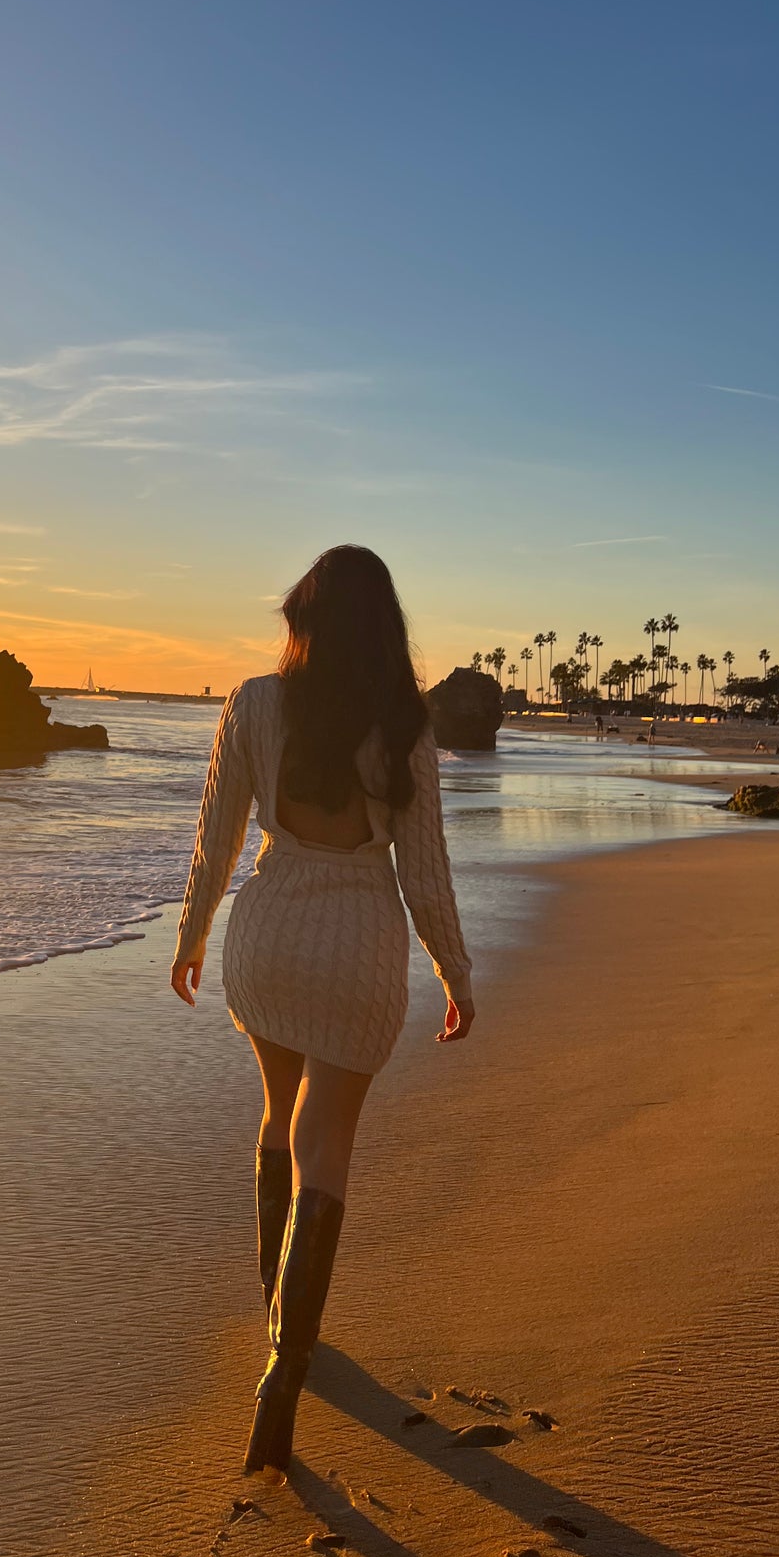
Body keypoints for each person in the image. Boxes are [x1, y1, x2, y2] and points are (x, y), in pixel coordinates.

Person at [170, 545, 474, 1479]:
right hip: (359, 947)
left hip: (269, 936)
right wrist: (455, 972)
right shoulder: (405, 726)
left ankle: (274, 1307)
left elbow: (218, 831)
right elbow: (421, 872)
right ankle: (286, 1366)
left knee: (277, 1115)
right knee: (326, 1144)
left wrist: (190, 933)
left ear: (301, 617)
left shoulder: (254, 703)